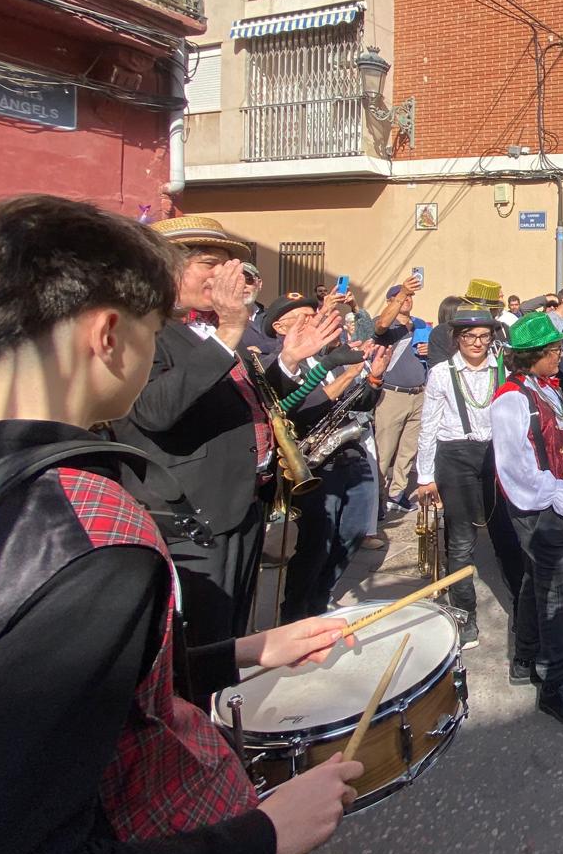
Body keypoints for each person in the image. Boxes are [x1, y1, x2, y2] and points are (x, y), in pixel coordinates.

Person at [0, 195, 365, 854]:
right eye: (153, 332)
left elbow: (40, 702)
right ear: (109, 334)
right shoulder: (88, 537)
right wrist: (263, 834)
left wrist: (246, 650)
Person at [115, 216, 341, 644]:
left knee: (232, 634)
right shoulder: (141, 327)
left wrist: (289, 359)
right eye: (210, 264)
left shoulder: (216, 329)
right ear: (163, 268)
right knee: (199, 644)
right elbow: (155, 410)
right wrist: (230, 328)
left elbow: (243, 398)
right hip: (191, 515)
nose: (225, 276)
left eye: (229, 265)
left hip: (240, 505)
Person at [490, 312, 563, 726]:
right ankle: (555, 684)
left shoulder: (545, 388)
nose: (559, 356)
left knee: (537, 580)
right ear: (531, 356)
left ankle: (527, 656)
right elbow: (516, 471)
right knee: (558, 592)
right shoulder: (512, 399)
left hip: (553, 501)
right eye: (553, 351)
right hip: (538, 507)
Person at [266, 295, 388, 623]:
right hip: (316, 466)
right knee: (315, 544)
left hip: (349, 454)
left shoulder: (325, 357)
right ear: (279, 327)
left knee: (351, 534)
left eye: (313, 315)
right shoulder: (275, 364)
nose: (314, 322)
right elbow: (299, 407)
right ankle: (294, 614)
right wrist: (346, 373)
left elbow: (357, 404)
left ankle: (322, 596)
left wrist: (373, 378)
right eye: (303, 318)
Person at [415, 308, 508, 651]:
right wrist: (425, 476)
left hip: (494, 452)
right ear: (457, 339)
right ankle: (465, 615)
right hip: (454, 454)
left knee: (505, 531)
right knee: (460, 540)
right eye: (470, 337)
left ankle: (520, 604)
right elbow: (429, 425)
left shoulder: (501, 367)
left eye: (484, 336)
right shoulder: (441, 373)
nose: (477, 343)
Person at [372, 276, 428, 514]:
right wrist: (403, 290)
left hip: (419, 393)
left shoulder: (421, 325)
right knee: (384, 450)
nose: (407, 300)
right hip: (392, 394)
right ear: (390, 301)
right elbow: (380, 326)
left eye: (409, 297)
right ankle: (376, 497)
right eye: (402, 297)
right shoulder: (386, 325)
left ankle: (397, 492)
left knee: (409, 449)